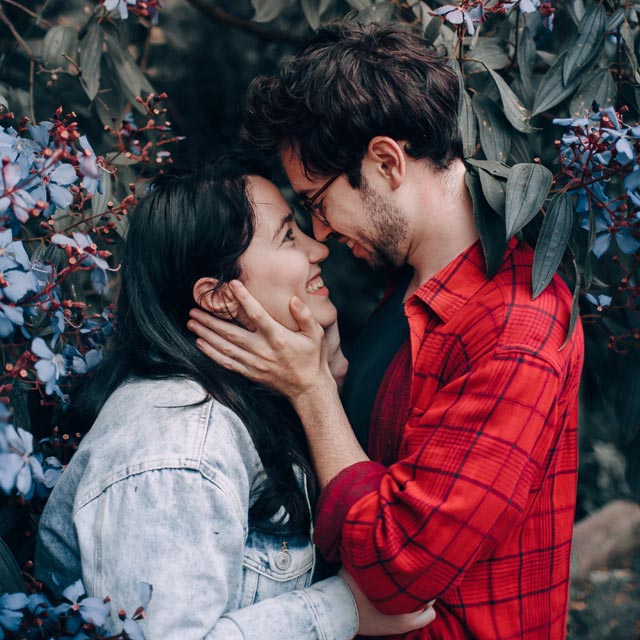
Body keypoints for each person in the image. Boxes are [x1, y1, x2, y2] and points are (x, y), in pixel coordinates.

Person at [187, 22, 585, 640]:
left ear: (385, 161)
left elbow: (403, 570)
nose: (319, 234)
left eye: (317, 201)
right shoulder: (413, 279)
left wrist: (312, 390)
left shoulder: (515, 324)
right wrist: (331, 370)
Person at [35, 160, 436, 639]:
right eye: (288, 236)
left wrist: (328, 381)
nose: (317, 249)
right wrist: (342, 608)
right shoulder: (178, 445)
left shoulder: (249, 403)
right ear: (220, 297)